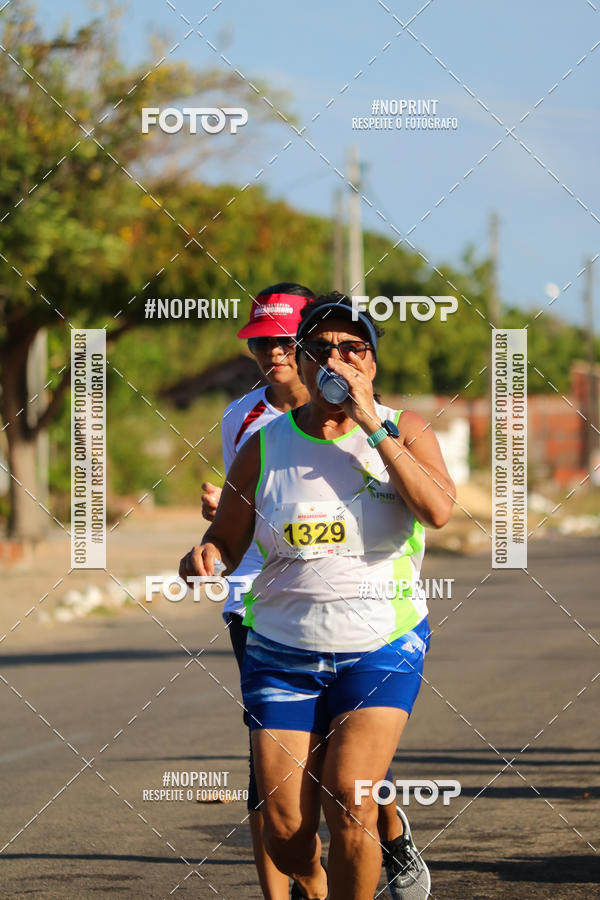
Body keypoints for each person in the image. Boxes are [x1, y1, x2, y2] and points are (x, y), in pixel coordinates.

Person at [183, 292, 455, 900]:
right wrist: (207, 556)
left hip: (380, 646)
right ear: (302, 364)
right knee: (285, 828)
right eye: (320, 348)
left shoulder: (406, 430)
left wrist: (371, 423)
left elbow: (438, 510)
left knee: (351, 801)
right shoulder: (264, 443)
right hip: (280, 645)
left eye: (351, 348)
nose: (335, 358)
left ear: (371, 364)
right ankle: (312, 883)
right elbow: (225, 537)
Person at [202, 282, 315, 900]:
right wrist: (218, 521)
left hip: (340, 601)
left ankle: (387, 833)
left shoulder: (349, 413)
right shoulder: (241, 417)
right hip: (253, 598)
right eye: (262, 343)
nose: (273, 353)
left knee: (335, 758)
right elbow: (235, 518)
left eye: (286, 341)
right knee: (268, 760)